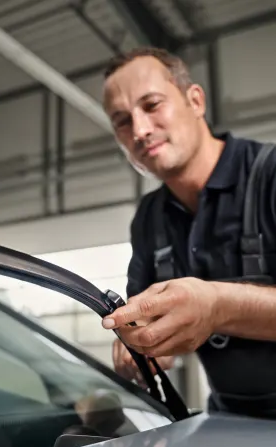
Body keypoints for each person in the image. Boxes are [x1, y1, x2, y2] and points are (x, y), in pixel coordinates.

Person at [100, 46, 276, 418]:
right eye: (122, 121)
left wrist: (218, 306)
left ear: (195, 101)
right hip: (232, 422)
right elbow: (145, 320)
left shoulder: (270, 175)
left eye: (151, 105)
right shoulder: (150, 218)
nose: (140, 130)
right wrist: (144, 342)